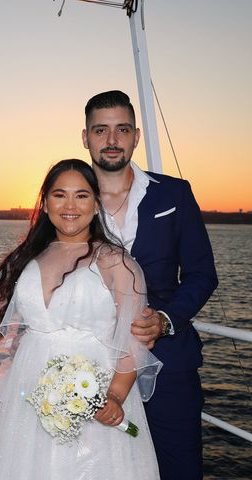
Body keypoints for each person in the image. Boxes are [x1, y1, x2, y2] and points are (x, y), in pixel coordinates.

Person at [0, 159, 162, 479]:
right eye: (59, 194)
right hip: (29, 386)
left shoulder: (115, 261)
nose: (70, 205)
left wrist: (115, 396)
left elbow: (133, 336)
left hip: (96, 390)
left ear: (96, 203)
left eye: (81, 195)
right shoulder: (28, 257)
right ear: (45, 202)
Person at [81, 90, 219, 480]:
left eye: (122, 130)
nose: (111, 140)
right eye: (101, 130)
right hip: (92, 367)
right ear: (85, 138)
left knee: (179, 469)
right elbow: (37, 272)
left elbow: (202, 274)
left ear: (136, 136)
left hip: (169, 363)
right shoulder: (72, 202)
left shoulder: (174, 193)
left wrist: (165, 318)